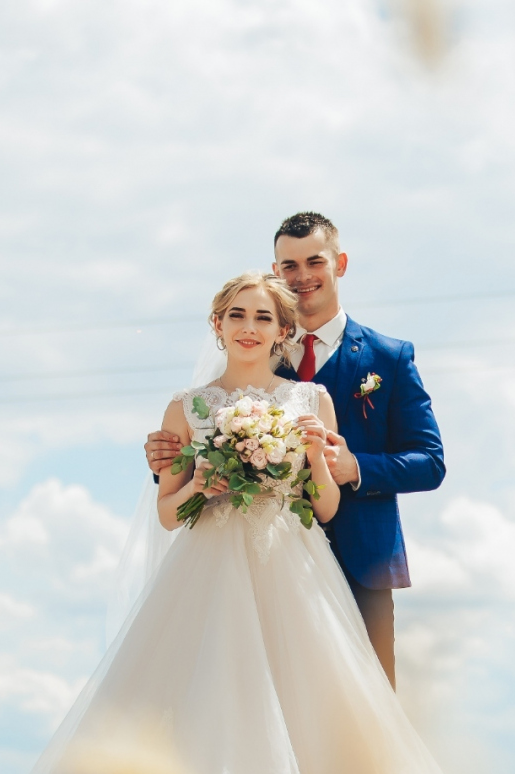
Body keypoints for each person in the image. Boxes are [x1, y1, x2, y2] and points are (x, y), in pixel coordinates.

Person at [0, 271, 507, 774]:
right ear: (217, 326)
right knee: (206, 702)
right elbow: (169, 515)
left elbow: (328, 505)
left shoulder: (310, 398)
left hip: (291, 567)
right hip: (207, 569)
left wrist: (316, 458)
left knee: (307, 704)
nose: (248, 327)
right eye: (235, 315)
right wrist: (199, 479)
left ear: (285, 332)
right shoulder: (186, 408)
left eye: (262, 317)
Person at [146, 212, 441, 687]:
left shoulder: (388, 358)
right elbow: (194, 447)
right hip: (236, 562)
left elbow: (430, 461)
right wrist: (168, 457)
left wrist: (352, 466)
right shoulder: (241, 358)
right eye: (289, 265)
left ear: (339, 264)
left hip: (358, 559)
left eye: (314, 262)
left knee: (362, 710)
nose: (302, 276)